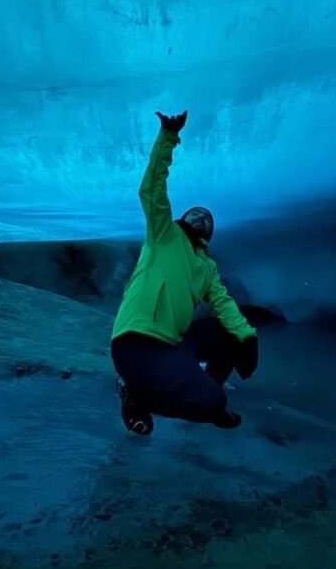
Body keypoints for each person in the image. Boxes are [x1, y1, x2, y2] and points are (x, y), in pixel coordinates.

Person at [110, 110, 259, 435]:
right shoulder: (164, 234)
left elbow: (223, 304)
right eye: (195, 216)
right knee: (212, 404)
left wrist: (247, 337)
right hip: (137, 344)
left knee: (227, 342)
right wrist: (168, 136)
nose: (200, 221)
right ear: (184, 218)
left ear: (209, 233)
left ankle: (204, 392)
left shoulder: (206, 267)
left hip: (173, 346)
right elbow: (151, 190)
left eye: (206, 220)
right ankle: (135, 395)